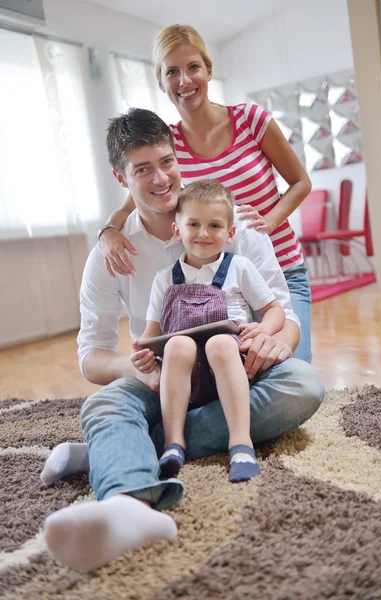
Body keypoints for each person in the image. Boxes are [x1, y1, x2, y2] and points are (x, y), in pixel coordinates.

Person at [41, 108, 324, 573]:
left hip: (233, 371)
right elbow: (91, 356)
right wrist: (131, 367)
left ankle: (117, 450)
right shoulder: (109, 255)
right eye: (142, 169)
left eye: (167, 161)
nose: (160, 178)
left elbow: (283, 315)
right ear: (121, 177)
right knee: (104, 406)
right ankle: (130, 503)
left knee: (302, 386)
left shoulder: (230, 224)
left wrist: (278, 342)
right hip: (164, 376)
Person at [98, 24, 313, 363]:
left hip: (281, 268)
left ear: (209, 70)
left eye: (193, 67)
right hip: (220, 279)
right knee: (222, 370)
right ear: (160, 81)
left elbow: (301, 182)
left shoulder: (250, 120)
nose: (184, 80)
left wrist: (266, 224)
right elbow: (133, 201)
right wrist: (108, 231)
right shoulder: (168, 146)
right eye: (172, 72)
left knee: (288, 367)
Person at [133, 179, 286, 483]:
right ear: (178, 230)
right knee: (178, 346)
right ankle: (173, 444)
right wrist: (143, 358)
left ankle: (241, 445)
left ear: (230, 234)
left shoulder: (239, 267)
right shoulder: (165, 279)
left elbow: (275, 310)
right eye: (193, 224)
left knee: (220, 343)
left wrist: (263, 330)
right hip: (184, 379)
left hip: (233, 367)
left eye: (215, 226)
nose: (204, 233)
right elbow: (149, 337)